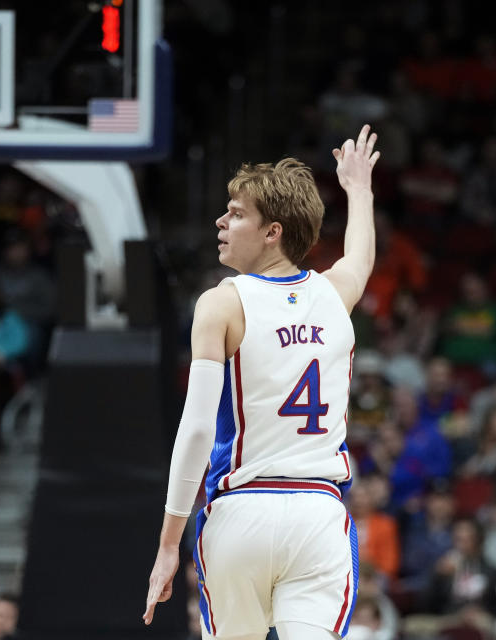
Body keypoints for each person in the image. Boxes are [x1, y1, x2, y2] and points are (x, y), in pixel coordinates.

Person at [144, 125, 381, 640]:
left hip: (241, 513)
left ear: (272, 231)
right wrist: (358, 189)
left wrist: (168, 545)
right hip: (319, 517)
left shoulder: (222, 302)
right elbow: (360, 257)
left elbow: (198, 431)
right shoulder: (335, 294)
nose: (220, 221)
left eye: (236, 213)